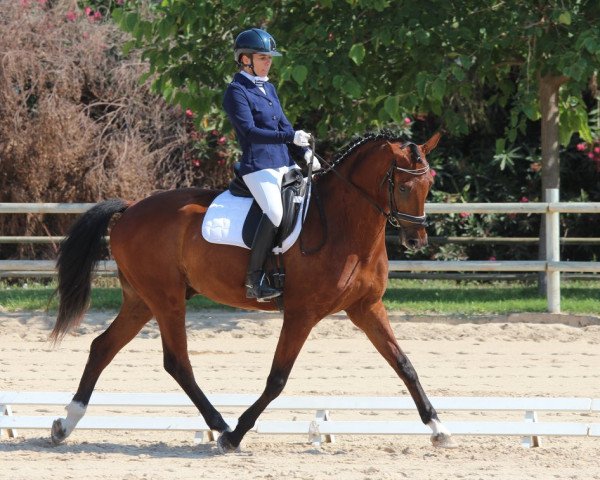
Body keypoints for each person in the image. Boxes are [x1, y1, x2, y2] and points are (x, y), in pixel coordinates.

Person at [222, 27, 320, 302]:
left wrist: (303, 152)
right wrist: (290, 136)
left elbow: (283, 125)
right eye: (263, 57)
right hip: (258, 165)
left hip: (283, 162)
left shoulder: (269, 88)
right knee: (276, 213)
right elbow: (250, 132)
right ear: (245, 60)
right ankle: (255, 280)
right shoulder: (236, 92)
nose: (269, 62)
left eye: (270, 58)